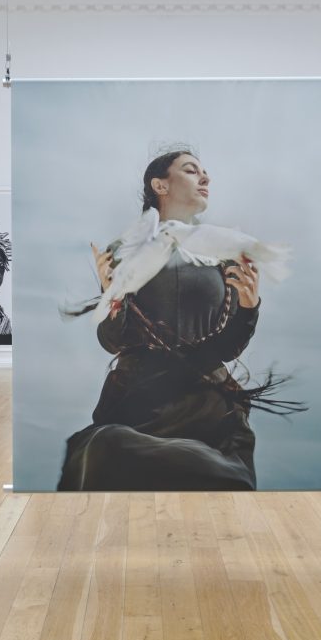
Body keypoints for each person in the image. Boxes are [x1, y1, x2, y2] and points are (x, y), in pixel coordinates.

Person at [56, 149, 297, 492]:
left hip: (208, 406)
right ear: (161, 185)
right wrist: (114, 300)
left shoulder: (224, 251)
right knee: (106, 451)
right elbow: (113, 340)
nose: (205, 177)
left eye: (205, 171)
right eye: (190, 170)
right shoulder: (125, 249)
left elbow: (227, 346)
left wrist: (248, 308)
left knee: (222, 488)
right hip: (138, 400)